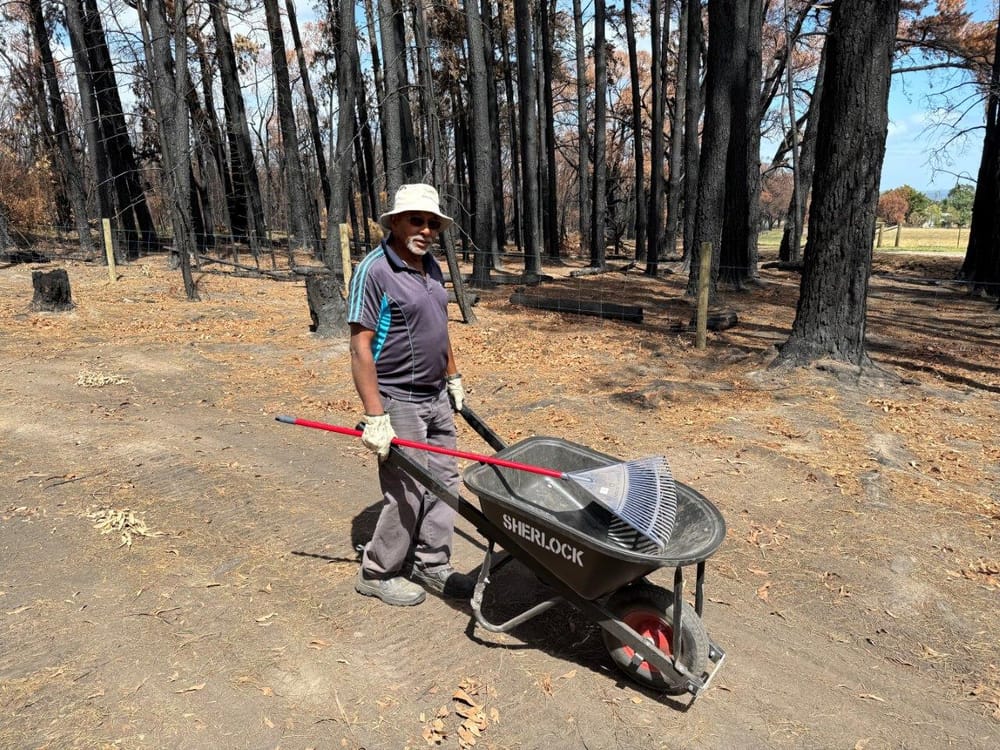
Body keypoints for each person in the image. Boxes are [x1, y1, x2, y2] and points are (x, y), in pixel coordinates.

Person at [346, 183, 475, 606]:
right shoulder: (375, 270)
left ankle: (431, 564)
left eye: (432, 223)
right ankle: (378, 570)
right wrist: (375, 414)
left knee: (445, 480)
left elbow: (439, 327)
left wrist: (453, 377)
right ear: (396, 222)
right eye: (416, 220)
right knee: (409, 486)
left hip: (436, 394)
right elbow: (360, 345)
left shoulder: (431, 267)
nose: (425, 229)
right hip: (397, 398)